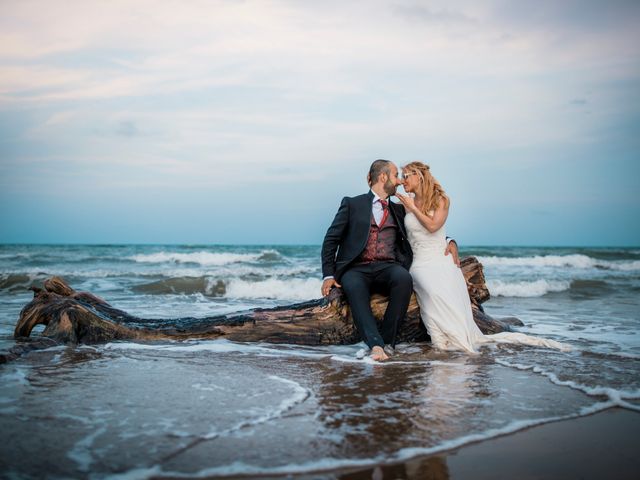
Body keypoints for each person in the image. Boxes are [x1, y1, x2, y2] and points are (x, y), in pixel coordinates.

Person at [395, 161, 569, 353]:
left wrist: (450, 239)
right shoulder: (405, 202)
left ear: (419, 176)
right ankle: (440, 342)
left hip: (441, 259)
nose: (403, 181)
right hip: (419, 263)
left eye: (406, 176)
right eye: (401, 177)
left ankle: (448, 347)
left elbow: (433, 227)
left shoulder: (441, 200)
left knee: (448, 300)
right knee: (431, 297)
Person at [321, 159, 459, 361]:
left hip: (388, 266)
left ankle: (388, 342)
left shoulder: (399, 209)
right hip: (356, 269)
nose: (400, 181)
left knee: (403, 279)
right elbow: (331, 239)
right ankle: (375, 345)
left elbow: (419, 232)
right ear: (383, 177)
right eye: (396, 176)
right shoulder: (352, 204)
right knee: (354, 288)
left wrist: (449, 240)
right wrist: (328, 274)